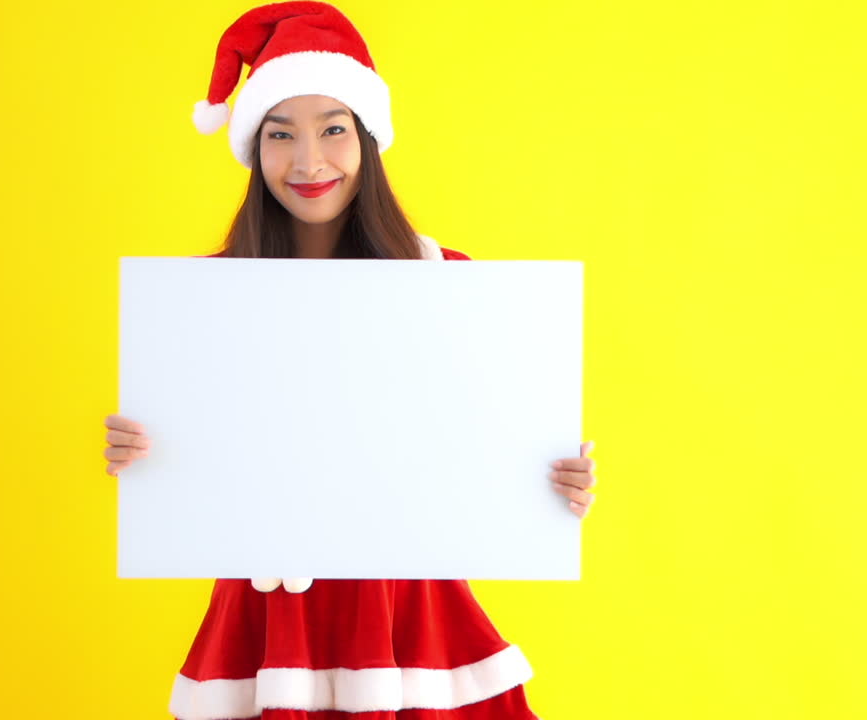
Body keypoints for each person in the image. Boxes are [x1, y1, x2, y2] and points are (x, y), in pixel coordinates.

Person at [103, 3, 597, 718]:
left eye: (333, 129)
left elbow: (483, 443)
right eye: (281, 134)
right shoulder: (204, 300)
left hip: (408, 613)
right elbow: (197, 466)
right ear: (255, 150)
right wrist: (145, 453)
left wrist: (551, 482)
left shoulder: (446, 281)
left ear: (367, 139)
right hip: (267, 616)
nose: (308, 161)